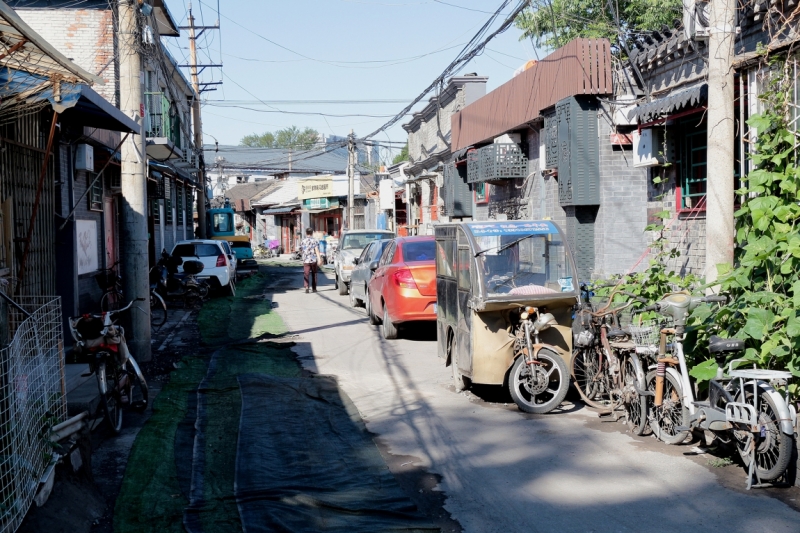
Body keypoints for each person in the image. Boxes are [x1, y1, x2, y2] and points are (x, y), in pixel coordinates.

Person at [300, 227, 321, 293]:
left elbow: (301, 250)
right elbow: (317, 250)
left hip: (306, 260)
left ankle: (306, 287)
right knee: (314, 274)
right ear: (312, 233)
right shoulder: (315, 241)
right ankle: (314, 288)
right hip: (313, 260)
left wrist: (303, 256)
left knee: (306, 274)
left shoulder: (303, 241)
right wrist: (319, 259)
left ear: (306, 233)